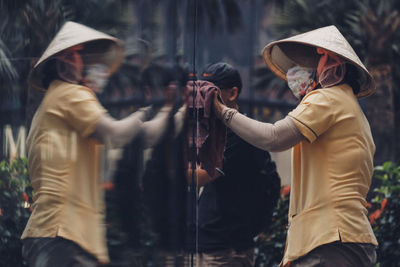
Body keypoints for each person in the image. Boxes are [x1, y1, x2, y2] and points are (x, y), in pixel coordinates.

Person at [213, 26, 378, 267]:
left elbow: (273, 137)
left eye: (318, 59)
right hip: (348, 237)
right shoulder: (352, 109)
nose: (313, 70)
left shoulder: (328, 98)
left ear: (333, 60)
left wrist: (222, 111)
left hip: (330, 238)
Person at [21, 21, 173, 267]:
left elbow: (142, 137)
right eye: (74, 55)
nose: (81, 62)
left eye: (80, 55)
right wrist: (145, 112)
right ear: (62, 64)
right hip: (62, 233)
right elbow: (116, 134)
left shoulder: (57, 101)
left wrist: (170, 110)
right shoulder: (69, 94)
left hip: (62, 235)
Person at [187, 63, 281, 267]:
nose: (202, 97)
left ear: (232, 93)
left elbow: (202, 176)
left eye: (209, 91)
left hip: (225, 250)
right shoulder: (216, 130)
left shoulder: (238, 134)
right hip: (213, 244)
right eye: (199, 90)